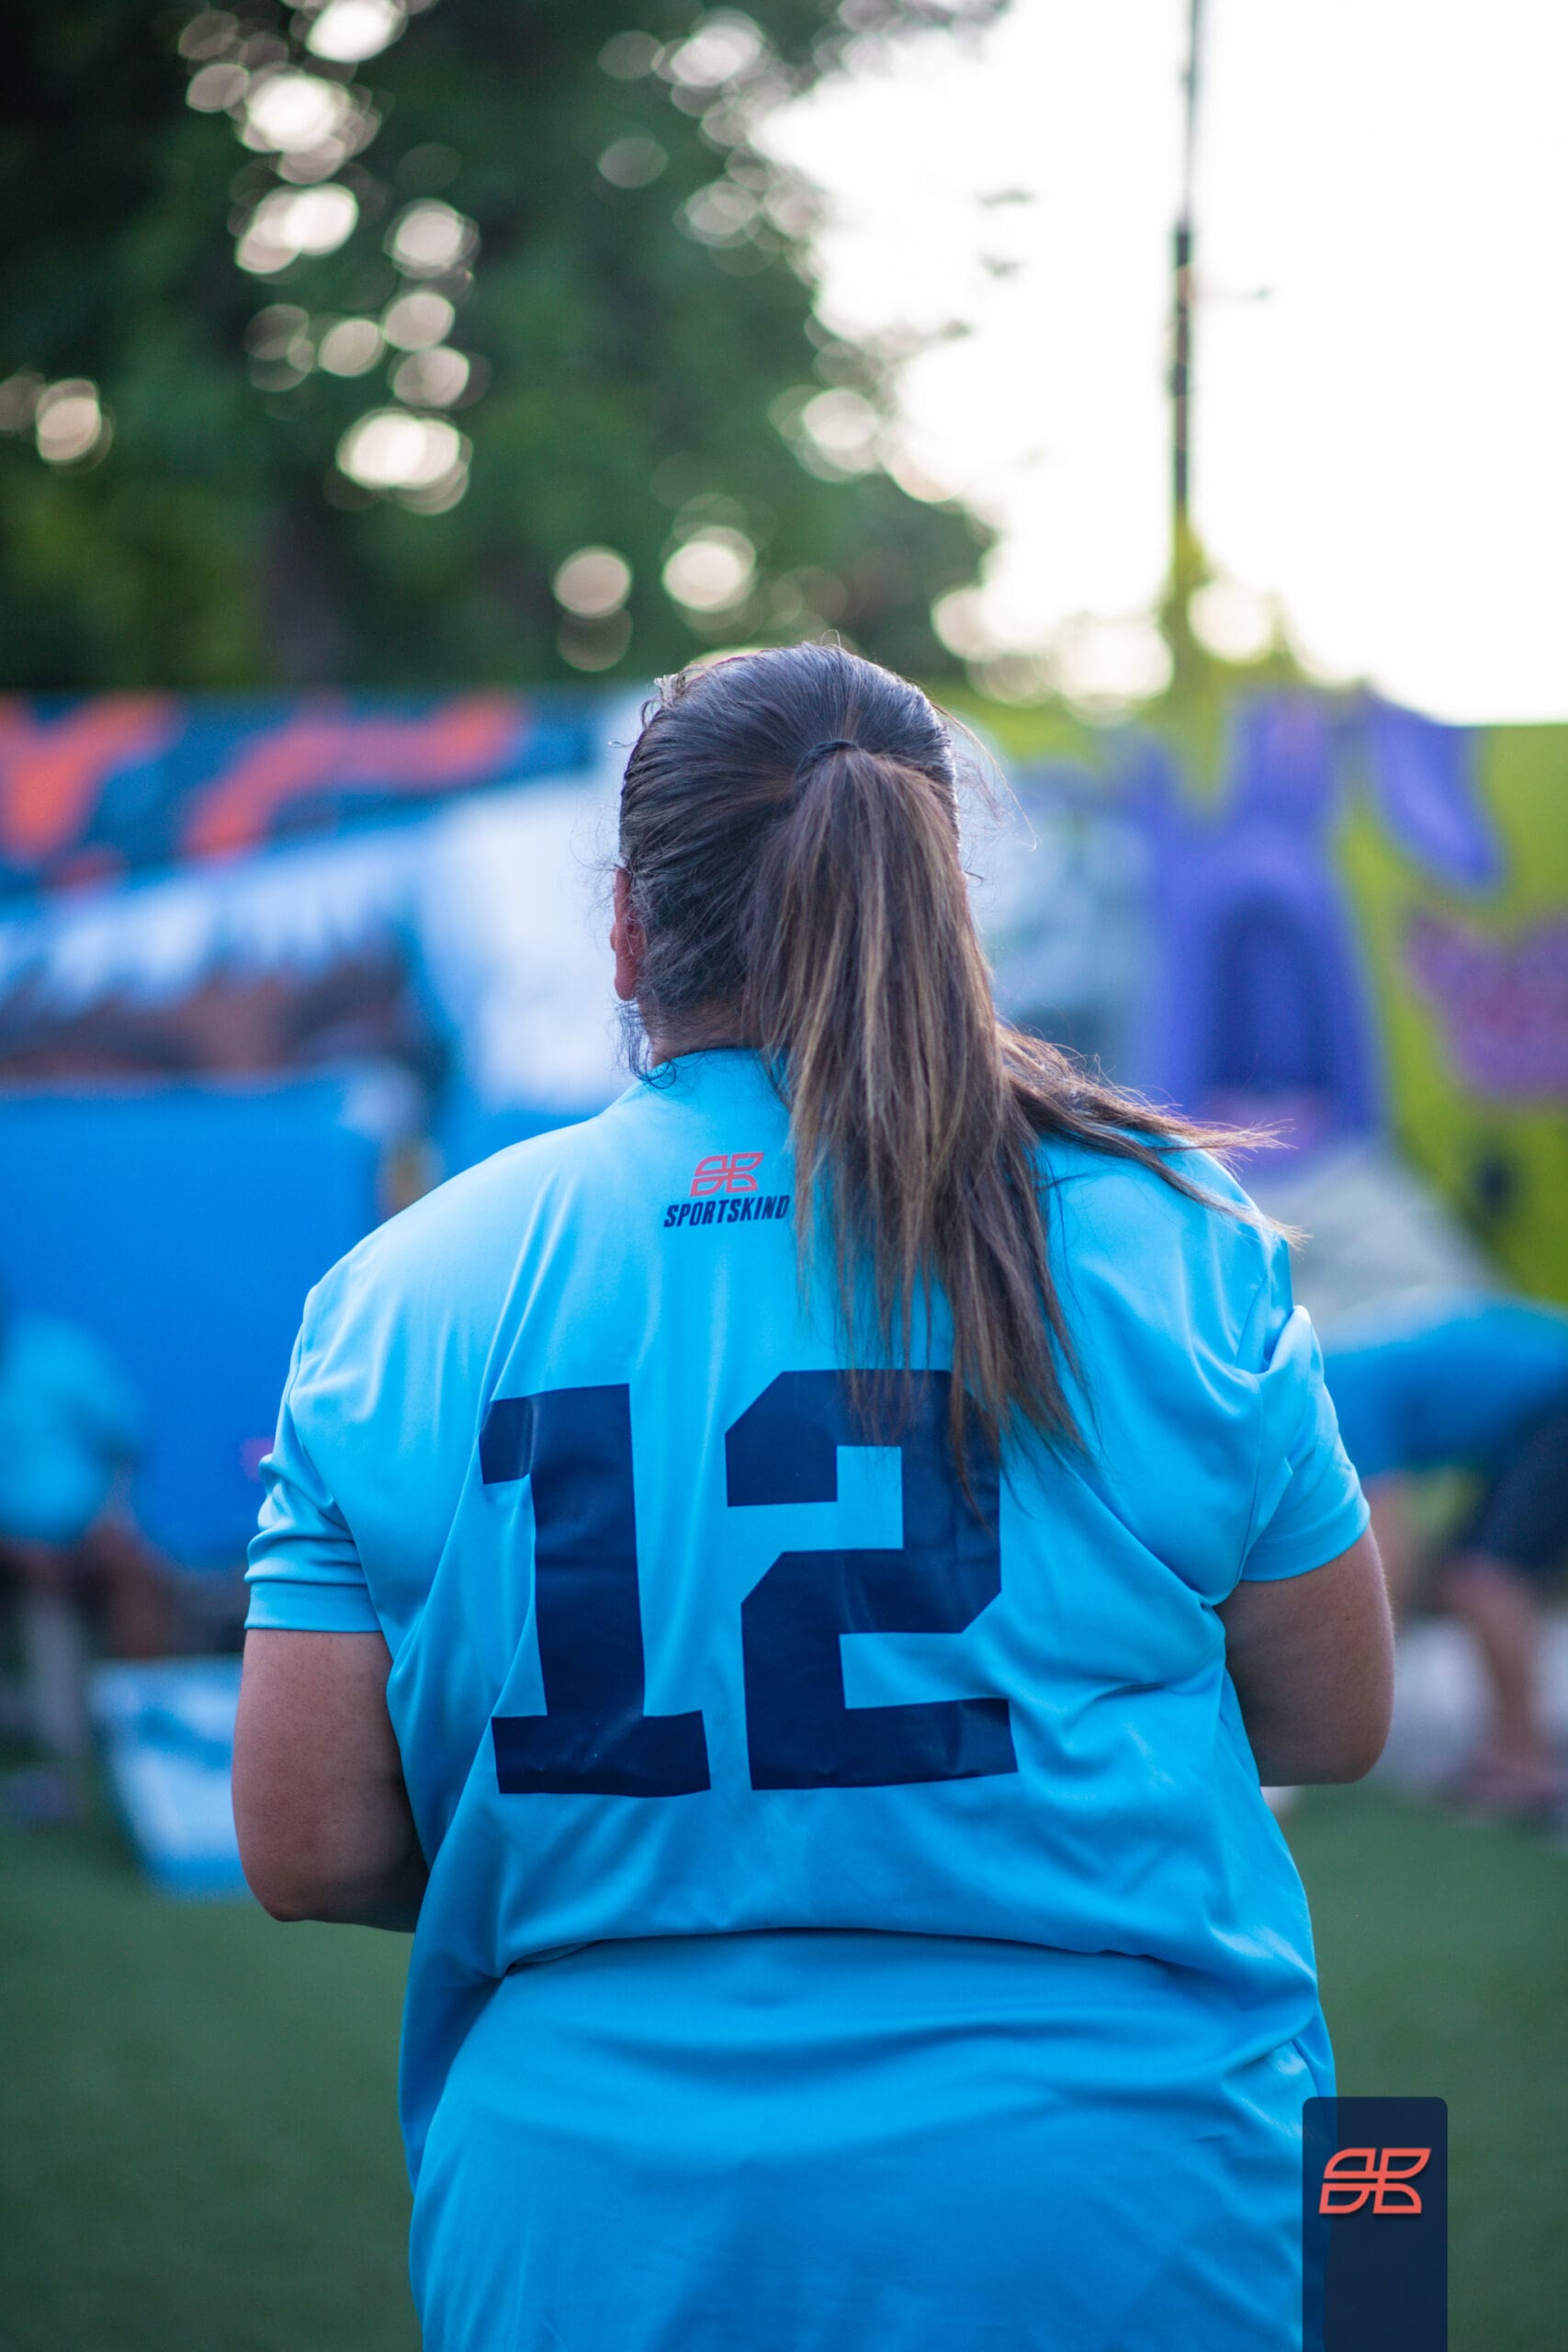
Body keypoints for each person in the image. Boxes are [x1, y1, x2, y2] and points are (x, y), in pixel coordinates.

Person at [233, 645, 1391, 2352]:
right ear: (938, 904)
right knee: (1385, 2233)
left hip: (593, 2236)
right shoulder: (1172, 1237)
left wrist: (674, 1840)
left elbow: (308, 1843)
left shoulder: (396, 1295)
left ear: (627, 932)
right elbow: (1335, 1722)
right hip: (1136, 2209)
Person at [1324, 1292, 1568, 1817]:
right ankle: (1514, 1753)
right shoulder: (1336, 1372)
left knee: (1480, 1581)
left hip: (1555, 1403)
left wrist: (1360, 1662)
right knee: (1474, 1577)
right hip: (1535, 1414)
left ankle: (1525, 1763)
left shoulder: (1333, 1394)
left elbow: (1385, 1545)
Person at [0, 1296, 169, 1759]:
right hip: (13, 1549)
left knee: (136, 1571)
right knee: (44, 1610)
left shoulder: (57, 1355)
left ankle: (145, 1716)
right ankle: (54, 1741)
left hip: (89, 1533)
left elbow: (124, 1444)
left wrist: (112, 1518)